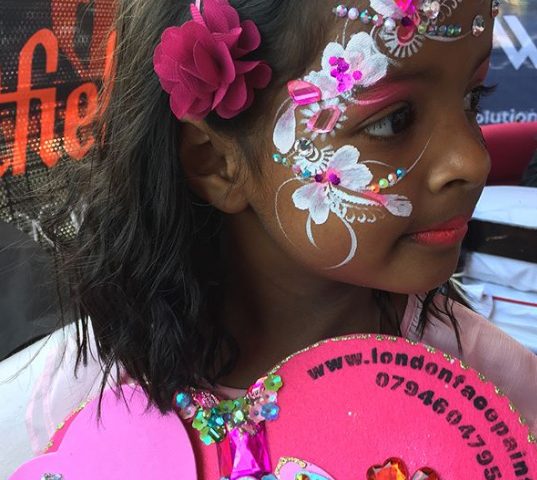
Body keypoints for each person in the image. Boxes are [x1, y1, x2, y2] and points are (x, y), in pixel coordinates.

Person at [8, 0, 537, 477]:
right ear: (218, 162)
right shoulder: (88, 397)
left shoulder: (495, 400)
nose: (473, 160)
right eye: (393, 120)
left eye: (473, 98)